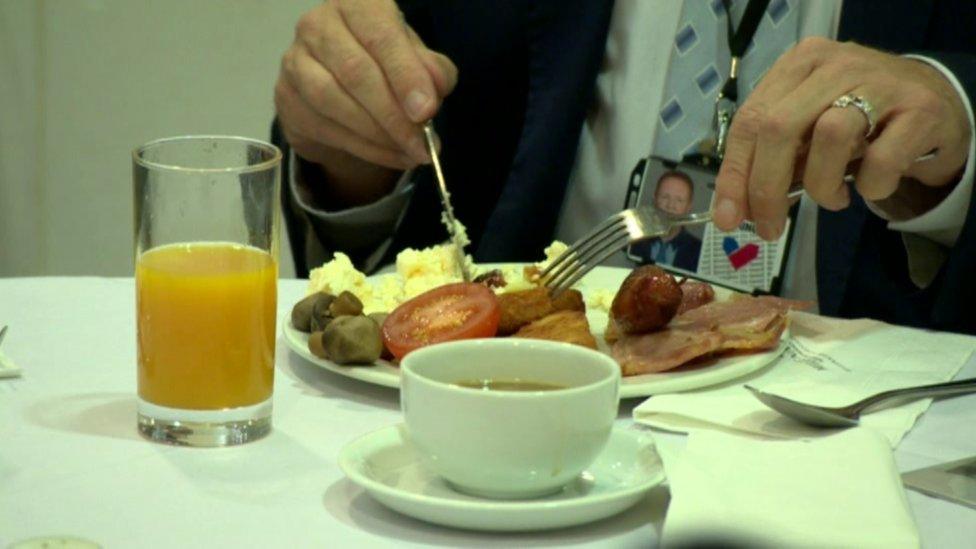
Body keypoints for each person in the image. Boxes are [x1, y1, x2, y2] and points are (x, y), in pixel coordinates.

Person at [272, 0, 976, 335]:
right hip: (522, 403)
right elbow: (387, 128)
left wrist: (960, 126)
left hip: (862, 439)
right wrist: (346, 147)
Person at [630, 170, 702, 272]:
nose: (670, 206)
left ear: (689, 207)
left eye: (679, 200)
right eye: (665, 197)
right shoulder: (634, 239)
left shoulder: (698, 252)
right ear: (654, 199)